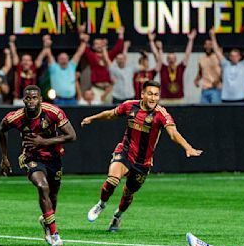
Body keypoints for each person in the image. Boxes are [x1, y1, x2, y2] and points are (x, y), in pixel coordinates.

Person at [81, 80, 202, 232]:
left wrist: (187, 147)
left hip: (143, 163)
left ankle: (117, 216)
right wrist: (92, 118)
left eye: (156, 95)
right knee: (112, 179)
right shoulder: (129, 106)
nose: (153, 98)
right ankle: (101, 204)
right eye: (150, 94)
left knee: (128, 193)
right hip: (125, 152)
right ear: (142, 94)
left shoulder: (161, 114)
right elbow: (110, 114)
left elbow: (173, 133)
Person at [0, 85, 76, 246]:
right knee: (42, 186)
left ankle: (46, 224)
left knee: (53, 196)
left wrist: (44, 142)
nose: (31, 101)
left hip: (54, 158)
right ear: (23, 100)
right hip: (31, 157)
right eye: (28, 98)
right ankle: (55, 234)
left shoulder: (53, 112)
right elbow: (2, 129)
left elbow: (71, 136)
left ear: (40, 99)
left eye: (34, 98)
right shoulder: (15, 117)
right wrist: (4, 157)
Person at [211, 26, 244, 103]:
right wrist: (212, 36)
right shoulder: (225, 65)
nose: (234, 58)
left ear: (239, 57)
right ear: (229, 57)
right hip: (226, 99)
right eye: (232, 56)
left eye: (236, 56)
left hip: (241, 99)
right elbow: (216, 51)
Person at [82, 25, 125, 104]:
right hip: (96, 89)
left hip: (109, 88)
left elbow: (118, 49)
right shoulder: (92, 56)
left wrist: (121, 35)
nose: (99, 45)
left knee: (109, 112)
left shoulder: (109, 55)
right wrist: (81, 34)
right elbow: (84, 48)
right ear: (94, 47)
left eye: (100, 43)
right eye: (96, 44)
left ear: (104, 44)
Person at [45, 33, 89, 106]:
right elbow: (49, 55)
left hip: (72, 100)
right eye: (61, 59)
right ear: (58, 60)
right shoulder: (54, 68)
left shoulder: (71, 66)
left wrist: (84, 42)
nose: (64, 60)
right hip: (59, 100)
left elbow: (79, 53)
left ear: (68, 60)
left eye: (65, 59)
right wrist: (47, 45)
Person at [156, 30, 197, 104]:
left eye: (173, 58)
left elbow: (187, 55)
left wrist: (191, 40)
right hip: (165, 100)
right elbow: (158, 59)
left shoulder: (180, 68)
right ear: (167, 60)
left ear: (176, 59)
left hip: (179, 100)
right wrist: (160, 49)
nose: (171, 60)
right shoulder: (163, 68)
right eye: (169, 58)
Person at [9, 35, 47, 103]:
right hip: (19, 99)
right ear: (21, 62)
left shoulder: (34, 68)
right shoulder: (18, 68)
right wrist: (12, 43)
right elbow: (14, 54)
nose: (26, 62)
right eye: (24, 60)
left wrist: (46, 44)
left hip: (32, 100)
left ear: (31, 62)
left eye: (28, 60)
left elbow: (41, 56)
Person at [194, 36, 222, 104]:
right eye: (206, 44)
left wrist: (218, 80)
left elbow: (224, 71)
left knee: (215, 112)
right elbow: (200, 72)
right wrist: (196, 80)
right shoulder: (201, 59)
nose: (207, 46)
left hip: (216, 89)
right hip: (204, 89)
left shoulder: (218, 57)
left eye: (210, 44)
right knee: (203, 112)